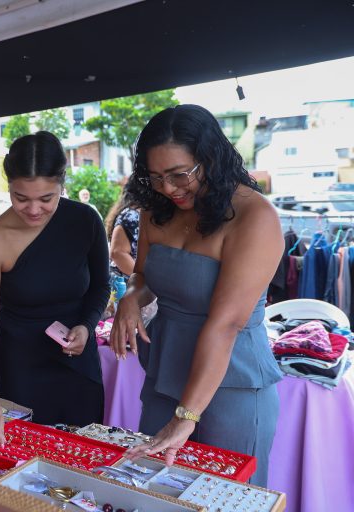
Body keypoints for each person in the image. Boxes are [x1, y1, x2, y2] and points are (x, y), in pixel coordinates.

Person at [109, 104, 283, 486]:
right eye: (156, 178)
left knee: (226, 496)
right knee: (151, 490)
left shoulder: (254, 217)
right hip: (166, 374)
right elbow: (144, 277)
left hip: (232, 385)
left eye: (179, 175)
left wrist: (184, 418)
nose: (169, 189)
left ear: (211, 159)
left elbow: (225, 325)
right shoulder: (158, 213)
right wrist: (129, 300)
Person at [0, 131, 111, 444]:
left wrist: (87, 327)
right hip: (20, 371)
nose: (34, 209)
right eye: (21, 198)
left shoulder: (85, 221)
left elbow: (101, 287)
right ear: (8, 187)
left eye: (47, 199)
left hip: (77, 366)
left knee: (81, 459)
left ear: (62, 183)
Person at [104, 186, 142, 278]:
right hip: (125, 282)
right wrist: (143, 281)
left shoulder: (127, 212)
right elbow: (117, 252)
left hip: (120, 279)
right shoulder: (131, 215)